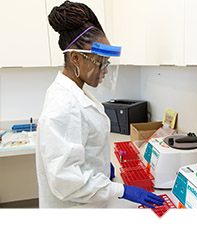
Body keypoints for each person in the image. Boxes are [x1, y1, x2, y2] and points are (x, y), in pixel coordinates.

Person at [36, 0, 164, 208]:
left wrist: (100, 168)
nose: (105, 70)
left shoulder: (76, 92)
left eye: (108, 62)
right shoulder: (64, 105)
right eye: (101, 62)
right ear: (76, 58)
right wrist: (122, 190)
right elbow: (66, 182)